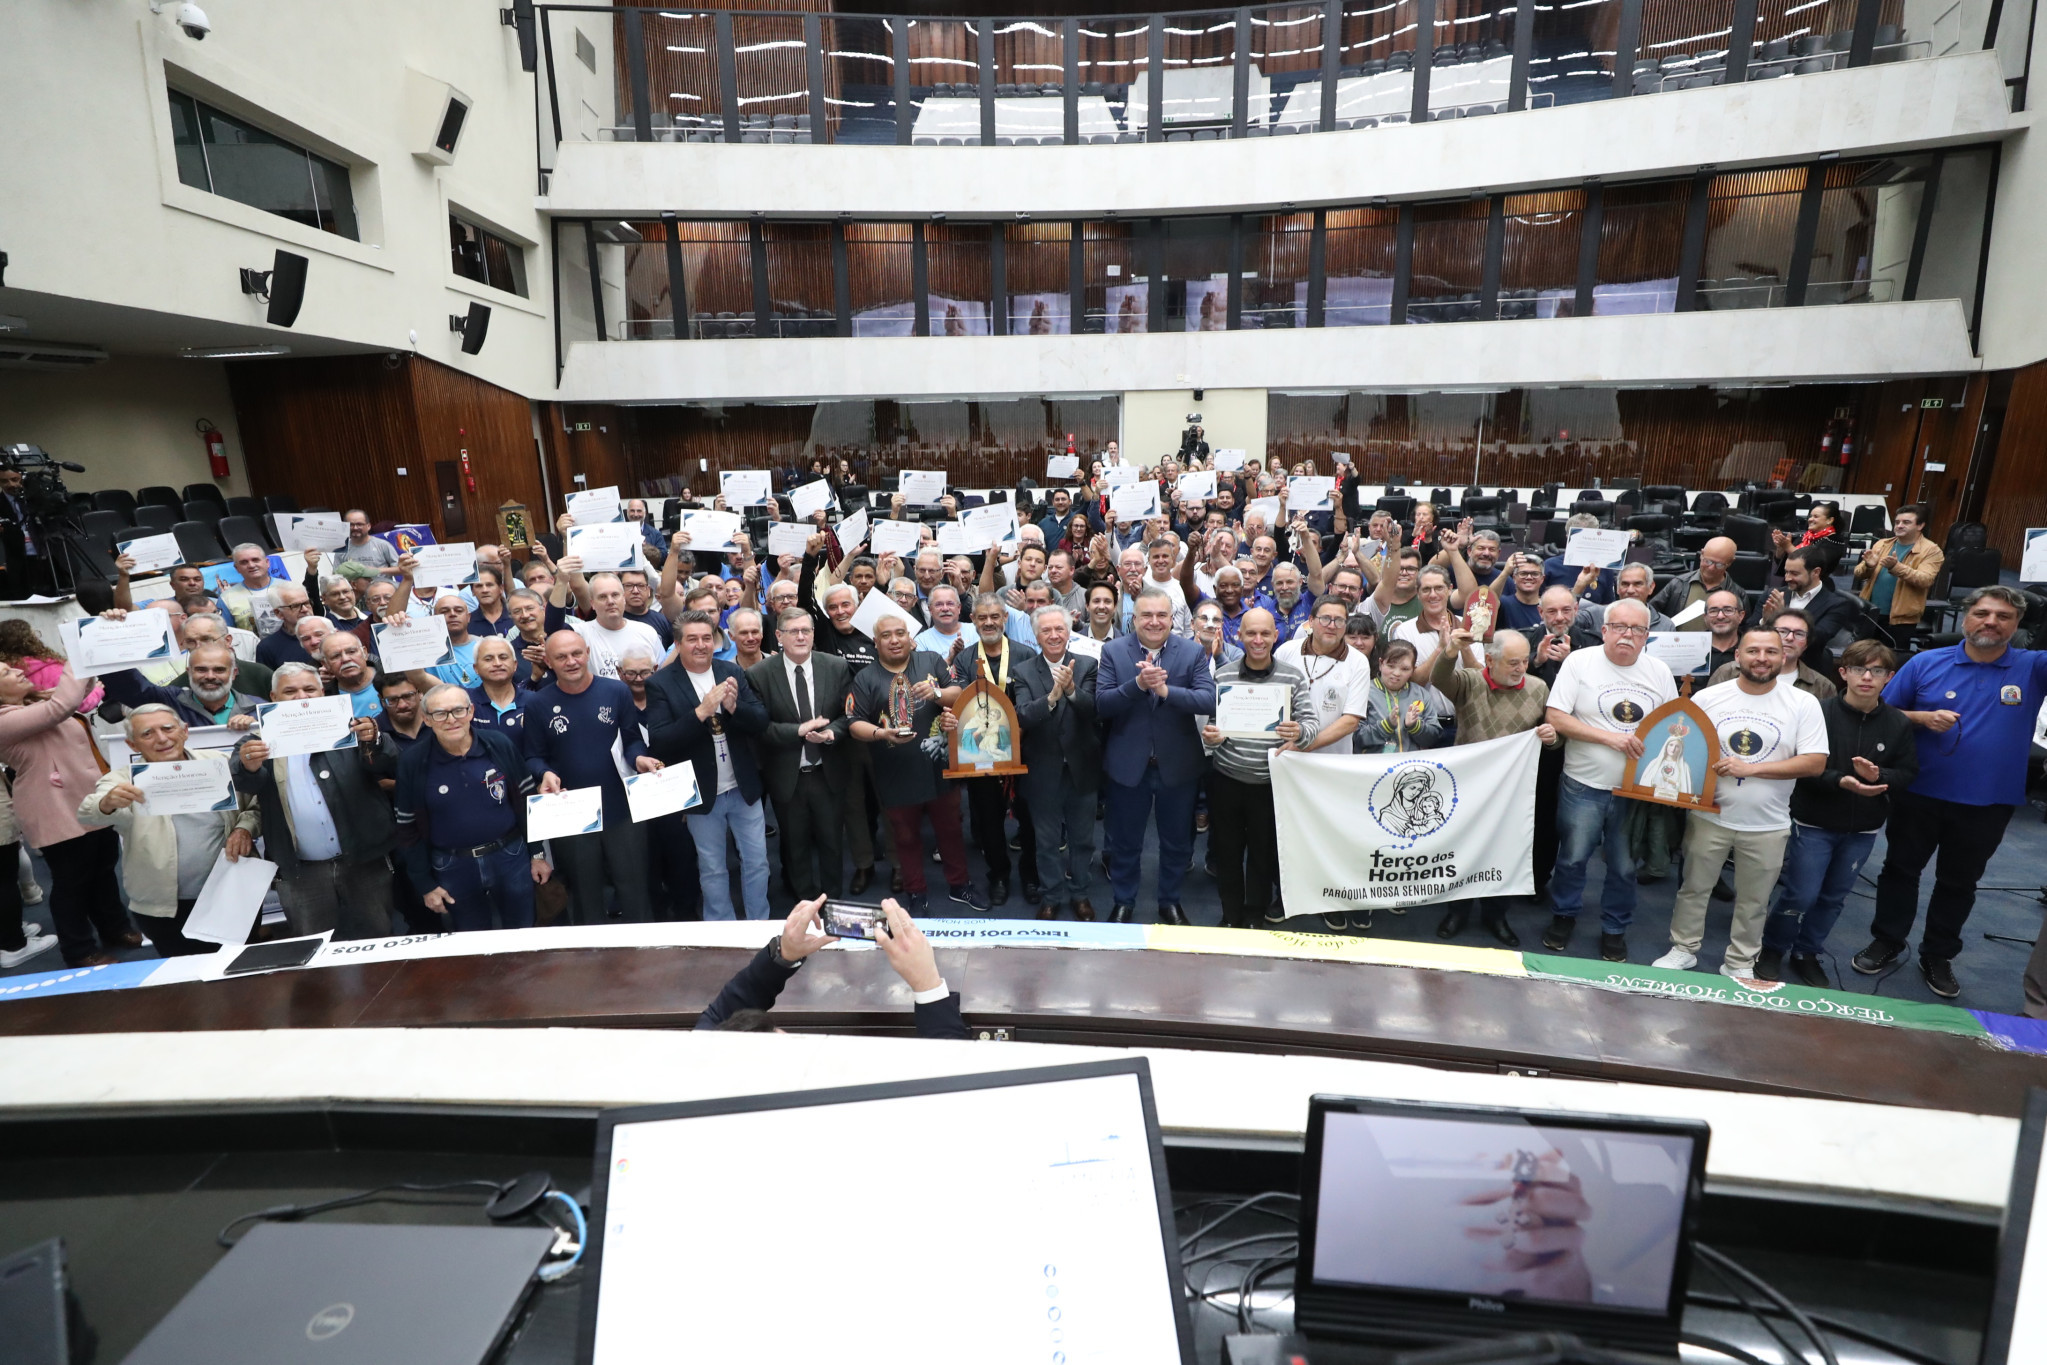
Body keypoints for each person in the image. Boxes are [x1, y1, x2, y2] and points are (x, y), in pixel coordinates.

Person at [1861, 586, 2047, 999]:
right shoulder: (1928, 662)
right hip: (1920, 792)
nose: (1991, 622)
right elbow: (1882, 714)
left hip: (1989, 801)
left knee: (1959, 883)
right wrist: (1922, 718)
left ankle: (1938, 955)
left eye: (2003, 616)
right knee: (1900, 870)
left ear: (2018, 626)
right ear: (1965, 617)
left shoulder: (2033, 668)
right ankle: (1887, 939)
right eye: (1983, 613)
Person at [1653, 628, 1829, 978]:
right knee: (1693, 888)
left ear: (1784, 657)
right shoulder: (1709, 698)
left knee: (1754, 901)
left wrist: (1753, 768)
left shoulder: (1803, 703)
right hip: (1709, 816)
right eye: (1753, 651)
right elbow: (1683, 750)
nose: (1761, 658)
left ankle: (1739, 961)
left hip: (1769, 823)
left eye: (1770, 652)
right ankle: (1683, 948)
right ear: (1737, 656)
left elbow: (1815, 762)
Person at [1758, 639, 1915, 987]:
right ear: (1843, 672)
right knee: (1801, 893)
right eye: (1858, 669)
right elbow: (1802, 766)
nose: (1867, 678)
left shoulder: (1898, 724)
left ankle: (1807, 951)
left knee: (1833, 897)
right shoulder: (1819, 712)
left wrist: (1882, 777)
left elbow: (1908, 773)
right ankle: (1772, 948)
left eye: (1877, 671)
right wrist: (1840, 780)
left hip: (1863, 828)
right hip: (1814, 820)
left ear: (1889, 677)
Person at [1541, 598, 1678, 960]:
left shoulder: (1659, 672)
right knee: (1571, 858)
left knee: (1623, 866)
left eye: (1636, 629)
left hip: (1634, 789)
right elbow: (1556, 716)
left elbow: (1674, 729)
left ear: (1648, 636)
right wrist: (1611, 738)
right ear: (1604, 630)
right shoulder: (1579, 662)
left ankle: (1615, 927)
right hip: (1583, 783)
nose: (1627, 635)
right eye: (1619, 627)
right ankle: (1564, 915)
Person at [232, 663, 398, 940]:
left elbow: (389, 764)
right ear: (273, 698)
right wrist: (248, 765)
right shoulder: (256, 744)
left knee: (378, 937)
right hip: (300, 871)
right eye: (290, 691)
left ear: (322, 693)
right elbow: (246, 784)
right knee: (313, 947)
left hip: (363, 863)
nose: (301, 697)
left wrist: (376, 740)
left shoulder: (352, 731)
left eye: (309, 689)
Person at [79, 704, 260, 956]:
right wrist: (107, 802)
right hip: (165, 908)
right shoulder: (123, 780)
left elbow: (256, 805)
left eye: (167, 728)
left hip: (232, 892)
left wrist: (244, 828)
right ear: (132, 745)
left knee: (244, 966)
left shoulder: (219, 763)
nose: (162, 738)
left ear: (184, 731)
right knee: (186, 980)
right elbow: (87, 812)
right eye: (147, 734)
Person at [1429, 626, 1561, 945]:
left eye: (1525, 662)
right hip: (1467, 787)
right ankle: (1456, 911)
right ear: (1489, 659)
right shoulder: (1470, 682)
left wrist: (1553, 739)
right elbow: (1439, 679)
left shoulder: (1539, 688)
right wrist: (1449, 652)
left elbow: (1554, 740)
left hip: (1512, 792)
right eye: (1512, 662)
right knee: (1462, 850)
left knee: (1504, 854)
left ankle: (1496, 915)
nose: (1521, 669)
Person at [0, 661, 137, 965]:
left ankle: (116, 928)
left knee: (103, 871)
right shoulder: (6, 720)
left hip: (87, 799)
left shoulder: (33, 703)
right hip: (53, 807)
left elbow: (79, 694)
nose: (18, 671)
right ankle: (79, 950)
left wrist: (88, 668)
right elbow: (63, 705)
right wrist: (80, 656)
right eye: (7, 673)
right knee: (71, 883)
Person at [522, 630, 662, 923]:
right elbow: (532, 755)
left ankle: (646, 952)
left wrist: (639, 758)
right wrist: (544, 772)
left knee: (635, 886)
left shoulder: (616, 691)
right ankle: (593, 959)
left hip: (621, 808)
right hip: (572, 812)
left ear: (587, 652)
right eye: (561, 657)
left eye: (576, 653)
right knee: (585, 895)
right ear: (548, 661)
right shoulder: (537, 703)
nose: (571, 661)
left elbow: (632, 739)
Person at [1096, 586, 1216, 925]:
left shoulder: (1192, 652)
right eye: (1146, 614)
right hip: (1127, 765)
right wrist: (1137, 685)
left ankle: (1170, 902)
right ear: (1134, 618)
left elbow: (1208, 700)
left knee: (1177, 843)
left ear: (1172, 618)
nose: (1154, 621)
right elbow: (1102, 705)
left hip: (1177, 765)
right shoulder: (1114, 651)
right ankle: (1124, 901)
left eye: (1161, 615)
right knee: (1125, 842)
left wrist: (1165, 691)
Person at [848, 615, 984, 913]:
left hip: (938, 766)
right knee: (905, 836)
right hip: (893, 771)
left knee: (950, 830)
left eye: (900, 633)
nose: (894, 640)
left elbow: (957, 692)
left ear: (910, 637)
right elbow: (853, 722)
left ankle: (960, 885)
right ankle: (916, 891)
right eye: (886, 635)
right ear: (876, 642)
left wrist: (936, 693)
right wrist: (880, 733)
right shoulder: (865, 678)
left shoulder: (931, 661)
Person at [646, 611, 773, 921]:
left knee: (758, 862)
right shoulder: (660, 683)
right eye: (692, 639)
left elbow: (760, 721)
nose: (701, 645)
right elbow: (661, 740)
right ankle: (722, 930)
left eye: (706, 638)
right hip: (701, 793)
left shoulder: (731, 671)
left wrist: (734, 707)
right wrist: (700, 712)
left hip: (742, 787)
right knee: (713, 868)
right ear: (678, 644)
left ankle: (759, 923)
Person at [694, 897, 969, 1038]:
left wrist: (784, 954)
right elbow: (957, 1090)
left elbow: (722, 1014)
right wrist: (928, 983)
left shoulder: (699, 1060)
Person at [394, 683, 547, 932]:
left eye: (458, 711)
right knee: (471, 940)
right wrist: (425, 884)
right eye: (440, 713)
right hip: (452, 865)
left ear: (471, 711)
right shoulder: (412, 762)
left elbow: (527, 802)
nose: (451, 720)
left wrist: (538, 854)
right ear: (426, 719)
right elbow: (407, 828)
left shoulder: (498, 744)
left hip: (510, 856)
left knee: (523, 931)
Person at [1201, 608, 1312, 929]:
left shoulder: (1292, 677)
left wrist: (1300, 733)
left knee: (1263, 856)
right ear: (1239, 635)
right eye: (1251, 633)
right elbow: (1211, 729)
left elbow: (1311, 724)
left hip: (1271, 784)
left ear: (1276, 636)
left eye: (1265, 633)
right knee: (1227, 854)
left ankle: (1254, 916)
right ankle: (1230, 915)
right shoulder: (1223, 676)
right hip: (1227, 781)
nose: (1258, 640)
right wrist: (1212, 737)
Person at [747, 607, 854, 901]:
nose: (801, 636)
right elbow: (760, 729)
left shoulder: (835, 666)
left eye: (806, 630)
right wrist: (797, 731)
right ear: (779, 636)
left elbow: (849, 715)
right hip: (787, 775)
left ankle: (833, 905)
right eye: (793, 631)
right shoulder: (759, 675)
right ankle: (804, 907)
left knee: (833, 843)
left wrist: (832, 732)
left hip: (827, 770)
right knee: (795, 848)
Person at [949, 593, 1038, 907]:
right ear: (973, 621)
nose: (989, 622)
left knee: (1028, 819)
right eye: (982, 617)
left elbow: (1034, 704)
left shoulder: (1027, 655)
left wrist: (1015, 738)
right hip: (980, 754)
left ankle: (1030, 874)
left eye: (995, 617)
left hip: (1024, 750)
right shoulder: (964, 659)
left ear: (1005, 619)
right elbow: (958, 703)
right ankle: (998, 875)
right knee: (988, 820)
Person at [1013, 604, 1101, 921]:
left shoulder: (1088, 665)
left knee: (1083, 841)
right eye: (1046, 630)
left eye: (1059, 629)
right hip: (1042, 771)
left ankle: (1080, 894)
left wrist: (1072, 691)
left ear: (1068, 632)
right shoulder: (1023, 670)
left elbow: (1093, 710)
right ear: (1037, 636)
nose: (1053, 635)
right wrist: (1050, 698)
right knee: (1047, 842)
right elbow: (1022, 714)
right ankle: (1051, 896)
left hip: (1081, 769)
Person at [1277, 596, 1373, 757]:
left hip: (1332, 761)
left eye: (1339, 620)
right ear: (1311, 621)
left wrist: (1304, 745)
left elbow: (1350, 721)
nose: (1332, 626)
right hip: (1284, 755)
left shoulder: (1358, 662)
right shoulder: (1286, 651)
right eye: (1325, 619)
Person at [102, 640, 262, 730]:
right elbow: (130, 686)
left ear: (233, 673)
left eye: (219, 670)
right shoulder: (170, 701)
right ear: (189, 672)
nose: (210, 676)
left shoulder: (258, 708)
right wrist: (107, 636)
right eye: (201, 670)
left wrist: (256, 728)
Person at [1758, 550, 1857, 681]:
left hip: (1806, 669)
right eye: (1786, 572)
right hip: (1763, 665)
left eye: (1794, 573)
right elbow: (1748, 629)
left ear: (1816, 572)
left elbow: (1818, 638)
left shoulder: (1837, 604)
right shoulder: (1772, 595)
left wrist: (1781, 616)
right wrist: (1765, 621)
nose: (1787, 578)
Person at [1852, 503, 1942, 638]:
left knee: (1892, 657)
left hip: (1900, 619)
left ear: (1920, 525)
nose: (1899, 525)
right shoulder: (1882, 544)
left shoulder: (1931, 550)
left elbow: (1925, 580)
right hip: (1870, 612)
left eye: (1906, 522)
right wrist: (1869, 566)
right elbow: (1858, 573)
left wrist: (1896, 567)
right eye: (1897, 522)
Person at [1705, 609, 1838, 699]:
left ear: (1807, 643)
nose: (1790, 638)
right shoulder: (1728, 672)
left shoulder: (1822, 686)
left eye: (1799, 634)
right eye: (1783, 631)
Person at [565, 572, 663, 680]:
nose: (610, 601)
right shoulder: (579, 633)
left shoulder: (647, 632)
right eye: (602, 597)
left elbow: (662, 674)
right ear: (592, 603)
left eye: (615, 595)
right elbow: (552, 627)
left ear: (624, 598)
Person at [1357, 641, 1446, 754]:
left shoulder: (1421, 694)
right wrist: (1385, 726)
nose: (1396, 673)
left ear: (1413, 670)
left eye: (1405, 669)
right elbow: (1355, 738)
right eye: (1391, 666)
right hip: (1374, 767)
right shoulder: (1364, 692)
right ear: (1380, 663)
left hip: (1410, 766)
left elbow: (1434, 738)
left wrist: (1415, 726)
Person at [1650, 536, 1740, 629]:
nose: (1711, 568)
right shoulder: (1678, 584)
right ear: (1701, 554)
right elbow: (1651, 613)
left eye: (1719, 564)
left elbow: (1742, 628)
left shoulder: (1736, 593)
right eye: (1707, 561)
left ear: (1730, 562)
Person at [467, 636, 528, 734]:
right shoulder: (466, 702)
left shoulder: (533, 701)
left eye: (503, 657)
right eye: (488, 659)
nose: (497, 663)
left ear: (515, 665)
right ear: (476, 668)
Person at [254, 584, 319, 668]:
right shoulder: (267, 647)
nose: (305, 609)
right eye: (295, 606)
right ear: (278, 613)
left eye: (306, 603)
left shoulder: (330, 632)